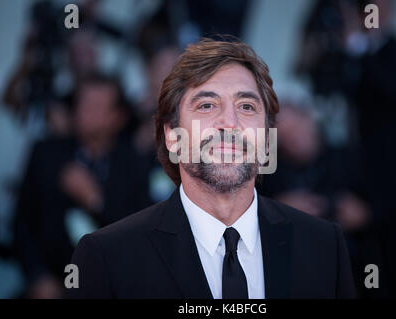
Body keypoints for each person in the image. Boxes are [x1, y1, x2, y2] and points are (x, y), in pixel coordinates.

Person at [68, 38, 355, 299]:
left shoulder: (325, 247)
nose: (229, 122)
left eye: (246, 106)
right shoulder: (107, 257)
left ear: (267, 139)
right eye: (206, 105)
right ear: (172, 136)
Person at [13, 73, 150, 298]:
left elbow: (139, 236)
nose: (83, 112)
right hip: (49, 282)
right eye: (81, 103)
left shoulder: (135, 163)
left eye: (95, 107)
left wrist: (96, 200)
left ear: (117, 117)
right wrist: (37, 278)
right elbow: (22, 223)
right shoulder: (46, 153)